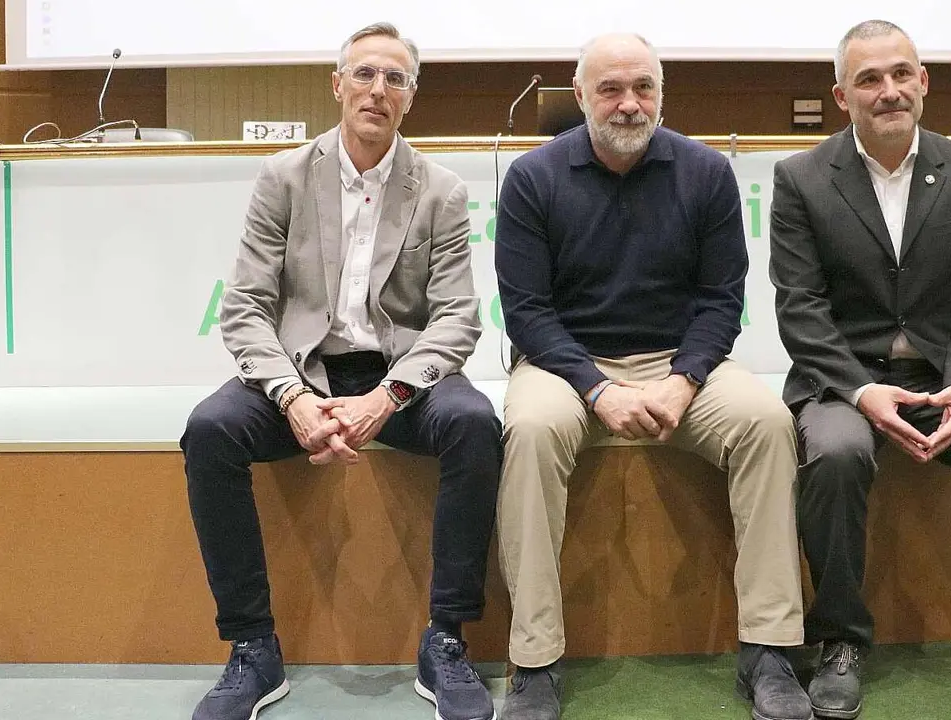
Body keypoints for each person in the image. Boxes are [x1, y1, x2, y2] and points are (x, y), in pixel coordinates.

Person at [180, 22, 501, 720]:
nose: (377, 90)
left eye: (394, 79)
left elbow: (455, 319)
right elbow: (246, 310)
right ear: (337, 85)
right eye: (364, 74)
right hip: (301, 370)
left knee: (476, 425)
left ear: (410, 97)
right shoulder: (284, 177)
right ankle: (251, 648)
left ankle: (446, 640)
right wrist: (293, 398)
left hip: (398, 376)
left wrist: (385, 399)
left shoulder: (440, 189)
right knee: (209, 432)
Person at [493, 32, 812, 720]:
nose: (629, 104)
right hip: (565, 362)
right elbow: (526, 311)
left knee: (768, 423)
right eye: (610, 89)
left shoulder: (705, 173)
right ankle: (535, 659)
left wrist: (683, 380)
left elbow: (722, 299)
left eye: (643, 88)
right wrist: (597, 389)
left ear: (662, 96)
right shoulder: (532, 178)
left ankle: (770, 649)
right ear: (581, 97)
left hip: (679, 363)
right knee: (530, 430)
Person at [768, 19, 951, 720]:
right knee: (836, 453)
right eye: (869, 78)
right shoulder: (801, 179)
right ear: (842, 96)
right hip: (847, 380)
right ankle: (841, 641)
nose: (889, 90)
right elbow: (801, 311)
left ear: (924, 82)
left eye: (902, 73)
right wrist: (864, 391)